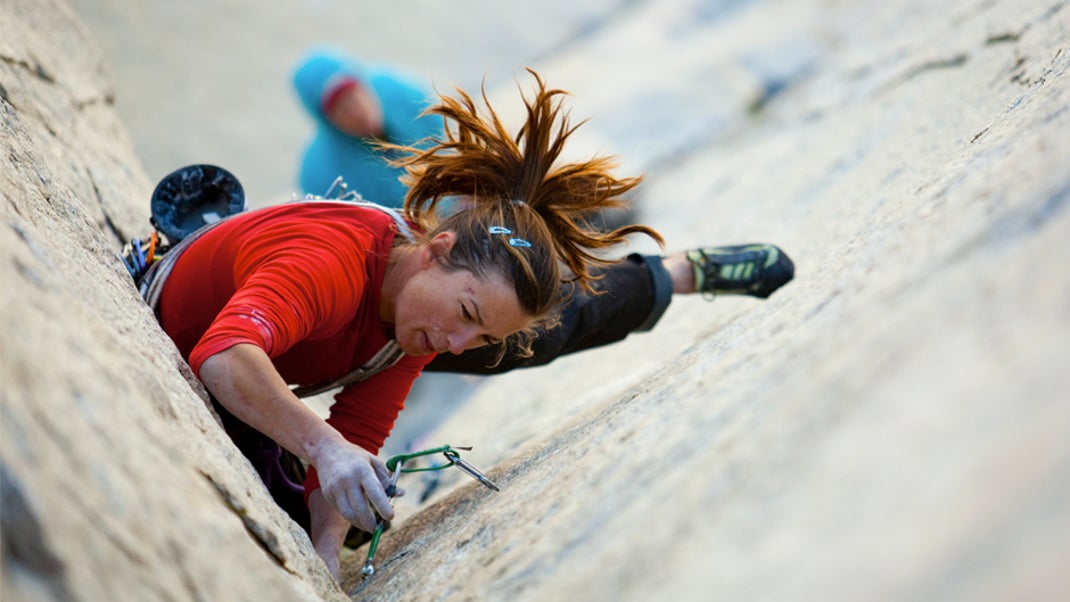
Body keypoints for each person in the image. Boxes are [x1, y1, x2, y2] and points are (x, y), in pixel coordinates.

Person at [292, 47, 795, 378]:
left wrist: (474, 213)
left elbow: (453, 151)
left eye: (354, 93)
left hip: (455, 241)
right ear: (322, 116)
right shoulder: (319, 171)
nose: (356, 109)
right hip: (405, 265)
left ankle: (684, 271)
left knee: (535, 322)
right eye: (339, 107)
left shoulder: (397, 91)